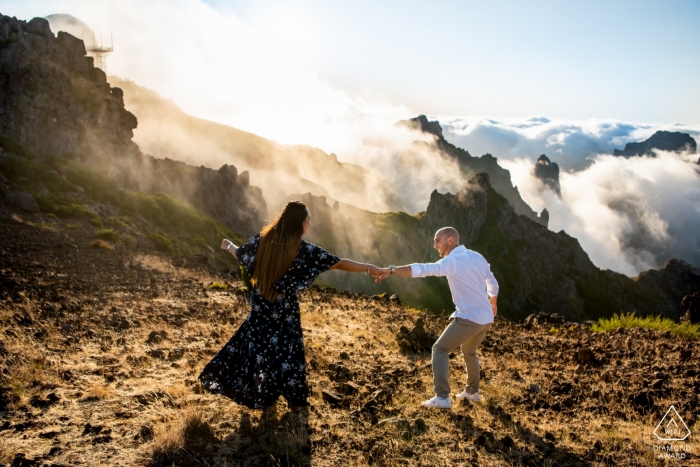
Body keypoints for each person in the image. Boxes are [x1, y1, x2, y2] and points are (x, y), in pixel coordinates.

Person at [199, 201, 381, 411]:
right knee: (289, 359)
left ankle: (262, 398)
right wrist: (369, 268)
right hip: (286, 317)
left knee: (259, 356)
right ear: (300, 224)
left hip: (260, 313)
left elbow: (242, 255)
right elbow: (338, 262)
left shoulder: (263, 240)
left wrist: (229, 246)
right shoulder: (303, 250)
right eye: (308, 219)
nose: (310, 222)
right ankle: (296, 403)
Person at [376, 226, 498, 409]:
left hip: (469, 317)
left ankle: (442, 398)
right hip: (486, 319)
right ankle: (472, 393)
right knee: (469, 352)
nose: (434, 245)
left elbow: (424, 269)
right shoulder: (476, 256)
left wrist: (392, 269)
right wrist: (493, 302)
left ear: (450, 240)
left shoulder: (453, 261)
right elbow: (492, 280)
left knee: (439, 349)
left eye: (437, 240)